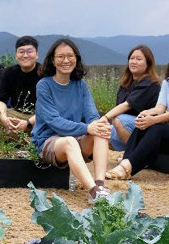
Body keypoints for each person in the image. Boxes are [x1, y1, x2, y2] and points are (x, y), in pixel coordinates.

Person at [106, 39, 169, 179]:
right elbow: (160, 108)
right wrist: (145, 114)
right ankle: (126, 161)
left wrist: (153, 120)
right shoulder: (168, 82)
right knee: (142, 124)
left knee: (156, 128)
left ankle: (126, 169)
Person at [32, 39, 111, 202]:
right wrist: (87, 128)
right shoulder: (44, 85)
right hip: (49, 142)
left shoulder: (81, 86)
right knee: (70, 141)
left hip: (75, 139)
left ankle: (100, 185)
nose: (66, 60)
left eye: (70, 56)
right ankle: (94, 192)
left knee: (101, 129)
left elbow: (92, 116)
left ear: (76, 58)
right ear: (53, 60)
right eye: (60, 56)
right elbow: (54, 121)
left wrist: (95, 126)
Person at [103, 45, 161, 151]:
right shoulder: (126, 83)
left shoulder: (150, 83)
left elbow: (127, 105)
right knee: (102, 132)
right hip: (129, 126)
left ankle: (136, 154)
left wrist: (105, 117)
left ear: (148, 63)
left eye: (139, 59)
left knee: (118, 120)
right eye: (131, 58)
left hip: (146, 128)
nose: (133, 61)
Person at [0, 36, 41, 134]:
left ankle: (18, 137)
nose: (25, 55)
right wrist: (4, 118)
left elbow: (51, 108)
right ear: (16, 55)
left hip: (38, 116)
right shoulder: (9, 72)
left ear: (37, 55)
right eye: (21, 52)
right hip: (16, 114)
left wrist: (28, 122)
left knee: (49, 123)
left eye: (29, 51)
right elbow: (0, 100)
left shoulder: (45, 73)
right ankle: (26, 138)